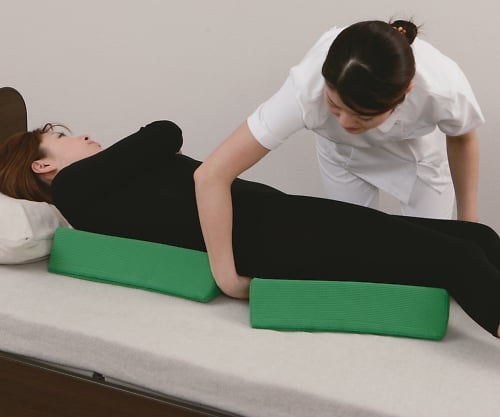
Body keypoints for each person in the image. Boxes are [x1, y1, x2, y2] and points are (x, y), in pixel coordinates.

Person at [0, 120, 499, 338]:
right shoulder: (76, 189)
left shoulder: (101, 185)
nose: (84, 135)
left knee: (475, 237)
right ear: (43, 167)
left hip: (289, 219)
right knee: (455, 259)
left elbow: (160, 144)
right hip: (282, 239)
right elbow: (164, 132)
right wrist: (153, 148)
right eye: (61, 137)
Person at [193, 18, 485, 299]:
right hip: (343, 158)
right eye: (334, 105)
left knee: (430, 263)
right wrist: (228, 280)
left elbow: (462, 138)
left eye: (362, 116)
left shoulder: (442, 86)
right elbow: (211, 175)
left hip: (419, 160)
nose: (344, 122)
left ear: (406, 92)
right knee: (352, 253)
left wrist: (468, 226)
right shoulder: (305, 89)